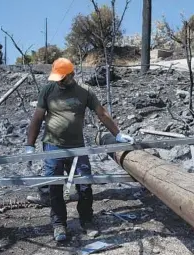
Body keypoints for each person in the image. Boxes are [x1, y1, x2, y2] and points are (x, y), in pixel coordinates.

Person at [26, 58, 134, 241]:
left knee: (85, 184)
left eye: (62, 77)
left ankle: (87, 221)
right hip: (53, 145)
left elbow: (101, 113)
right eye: (57, 77)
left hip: (77, 147)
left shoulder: (84, 92)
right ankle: (59, 224)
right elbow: (37, 118)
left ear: (71, 74)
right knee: (55, 186)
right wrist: (30, 144)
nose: (59, 81)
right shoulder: (48, 90)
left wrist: (117, 134)